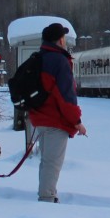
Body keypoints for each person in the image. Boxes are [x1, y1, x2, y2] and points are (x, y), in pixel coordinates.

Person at [26, 22, 86, 202]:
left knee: (46, 162)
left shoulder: (40, 57)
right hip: (54, 120)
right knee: (52, 163)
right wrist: (77, 121)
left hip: (40, 119)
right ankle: (47, 198)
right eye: (64, 38)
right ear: (60, 40)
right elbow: (65, 96)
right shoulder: (59, 61)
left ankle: (46, 194)